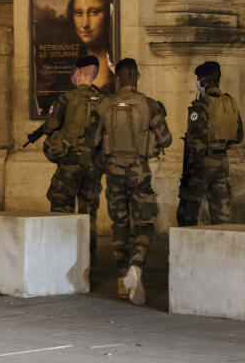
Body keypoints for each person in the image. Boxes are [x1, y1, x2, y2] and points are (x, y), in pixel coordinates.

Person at [89, 58, 172, 305]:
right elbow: (166, 139)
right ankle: (136, 266)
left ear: (118, 78)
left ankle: (120, 279)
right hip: (139, 171)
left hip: (113, 171)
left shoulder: (104, 105)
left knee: (119, 225)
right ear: (136, 76)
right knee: (144, 223)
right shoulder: (149, 105)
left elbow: (92, 141)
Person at [41, 56, 105, 264]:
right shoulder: (104, 101)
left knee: (61, 208)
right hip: (94, 165)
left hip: (70, 164)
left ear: (78, 72)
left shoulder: (66, 99)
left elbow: (50, 126)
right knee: (89, 214)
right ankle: (88, 262)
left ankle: (60, 259)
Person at [176, 61, 243, 226]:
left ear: (206, 80)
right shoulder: (230, 102)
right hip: (222, 161)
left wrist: (191, 170)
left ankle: (188, 247)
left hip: (203, 161)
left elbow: (195, 140)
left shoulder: (200, 106)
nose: (197, 82)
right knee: (221, 211)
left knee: (188, 210)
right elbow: (239, 135)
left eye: (199, 78)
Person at [66, 0, 117, 93]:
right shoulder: (66, 77)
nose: (85, 24)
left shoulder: (120, 76)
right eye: (78, 13)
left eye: (94, 12)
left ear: (110, 15)